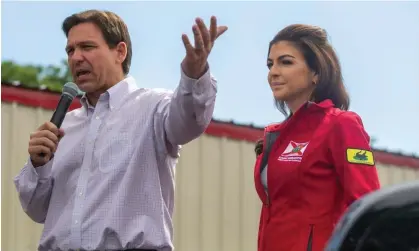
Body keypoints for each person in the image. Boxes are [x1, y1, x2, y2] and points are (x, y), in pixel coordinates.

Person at [14, 9, 227, 251]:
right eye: (70, 50)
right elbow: (37, 210)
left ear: (120, 52)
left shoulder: (153, 108)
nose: (76, 58)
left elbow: (190, 122)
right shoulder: (63, 127)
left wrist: (194, 74)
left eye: (87, 47)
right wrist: (38, 165)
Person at [253, 24, 381, 251]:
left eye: (286, 62)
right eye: (270, 64)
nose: (273, 72)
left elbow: (366, 206)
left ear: (316, 73)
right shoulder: (274, 137)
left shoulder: (341, 125)